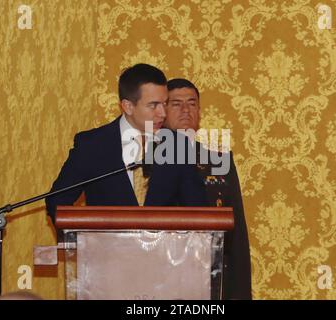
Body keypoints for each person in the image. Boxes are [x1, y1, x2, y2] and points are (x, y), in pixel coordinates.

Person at [45, 64, 207, 224]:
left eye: (164, 103)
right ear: (128, 106)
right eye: (153, 105)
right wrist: (79, 246)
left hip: (162, 249)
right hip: (106, 248)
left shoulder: (178, 146)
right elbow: (57, 203)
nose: (163, 113)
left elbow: (198, 211)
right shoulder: (92, 145)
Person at [164, 78, 252, 300]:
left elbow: (237, 237)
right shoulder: (148, 162)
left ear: (200, 110)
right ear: (162, 111)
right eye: (176, 103)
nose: (185, 110)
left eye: (192, 103)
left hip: (211, 281)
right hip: (162, 280)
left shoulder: (219, 162)